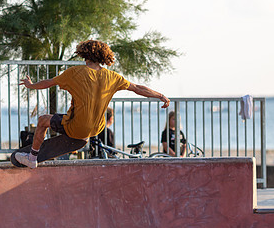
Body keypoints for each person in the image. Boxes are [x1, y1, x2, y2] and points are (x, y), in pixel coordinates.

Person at [15, 40, 170, 168]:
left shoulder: (75, 72)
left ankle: (32, 158)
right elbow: (137, 88)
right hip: (96, 128)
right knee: (77, 122)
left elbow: (49, 82)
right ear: (103, 57)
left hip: (77, 126)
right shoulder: (113, 77)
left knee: (43, 120)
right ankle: (82, 138)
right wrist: (161, 96)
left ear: (84, 55)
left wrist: (31, 85)